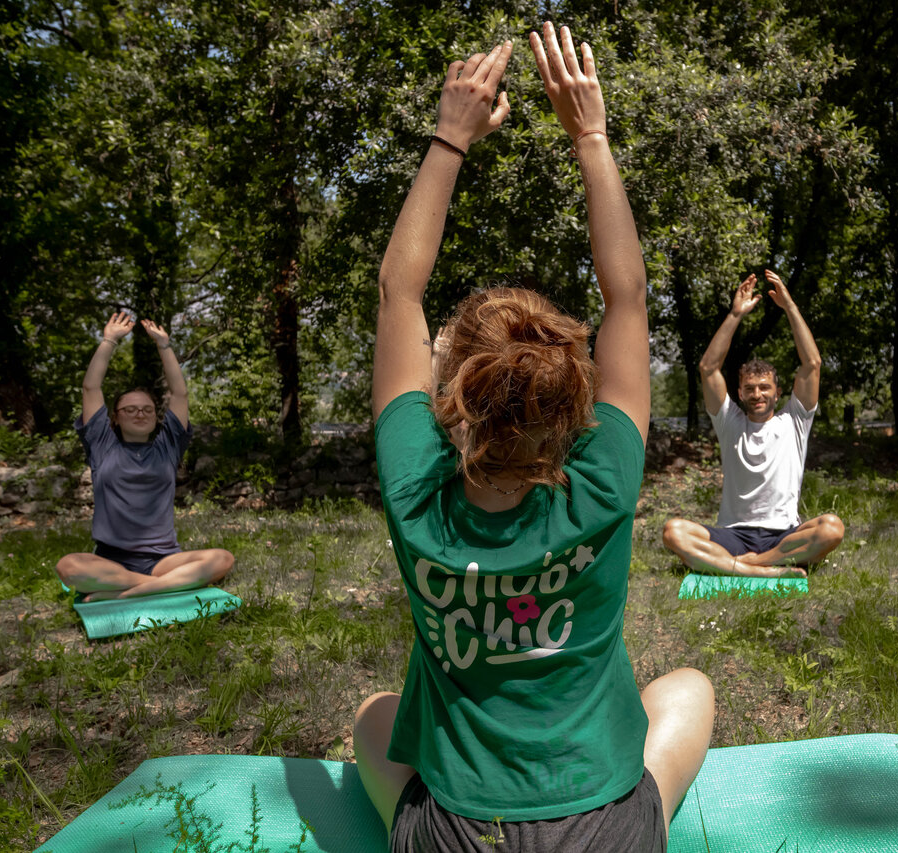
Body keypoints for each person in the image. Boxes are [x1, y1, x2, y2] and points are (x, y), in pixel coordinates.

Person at [353, 24, 713, 852]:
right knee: (688, 687)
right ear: (570, 401)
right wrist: (590, 134)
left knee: (375, 717)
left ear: (451, 399)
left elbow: (395, 293)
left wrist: (450, 136)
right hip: (604, 830)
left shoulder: (418, 494)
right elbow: (627, 297)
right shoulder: (604, 480)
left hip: (456, 834)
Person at [661, 270, 844, 578]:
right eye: (750, 388)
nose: (757, 394)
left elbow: (812, 363)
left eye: (764, 387)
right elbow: (708, 367)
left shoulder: (794, 421)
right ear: (740, 392)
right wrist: (735, 314)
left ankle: (746, 566)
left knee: (833, 528)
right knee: (672, 532)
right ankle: (765, 570)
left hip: (782, 535)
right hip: (734, 535)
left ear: (777, 391)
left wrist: (790, 308)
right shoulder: (729, 422)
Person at [55, 312, 234, 601]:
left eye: (147, 409)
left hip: (163, 560)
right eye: (130, 409)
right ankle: (162, 585)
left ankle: (126, 592)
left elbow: (180, 393)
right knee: (68, 567)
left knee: (223, 558)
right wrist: (109, 340)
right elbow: (91, 387)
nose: (140, 413)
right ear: (115, 417)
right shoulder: (101, 445)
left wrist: (164, 346)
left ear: (155, 417)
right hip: (111, 560)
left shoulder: (168, 446)